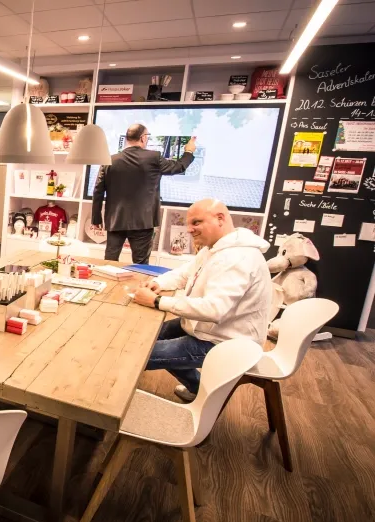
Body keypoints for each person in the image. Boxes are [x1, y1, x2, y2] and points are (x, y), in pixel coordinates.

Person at [133, 199, 271, 402]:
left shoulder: (237, 258)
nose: (189, 229)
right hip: (209, 329)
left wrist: (157, 301)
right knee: (141, 337)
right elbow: (184, 274)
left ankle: (104, 406)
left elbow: (214, 309)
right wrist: (158, 283)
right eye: (189, 224)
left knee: (134, 353)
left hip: (225, 343)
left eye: (196, 222)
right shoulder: (214, 248)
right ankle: (198, 389)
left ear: (220, 219)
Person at [92, 123, 196, 264]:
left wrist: (96, 219)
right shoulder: (154, 157)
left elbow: (98, 191)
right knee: (141, 265)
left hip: (116, 220)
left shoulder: (110, 160)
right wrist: (188, 151)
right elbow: (178, 167)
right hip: (143, 221)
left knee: (110, 261)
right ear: (142, 138)